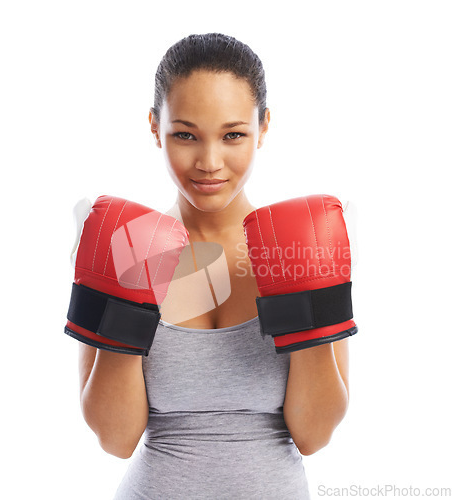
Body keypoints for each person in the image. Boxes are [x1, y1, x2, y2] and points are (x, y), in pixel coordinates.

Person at [70, 33, 354, 499]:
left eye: (233, 134)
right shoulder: (123, 243)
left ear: (263, 127)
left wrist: (304, 296)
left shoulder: (304, 244)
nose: (208, 162)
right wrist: (130, 290)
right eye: (185, 134)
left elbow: (314, 434)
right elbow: (115, 439)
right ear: (153, 126)